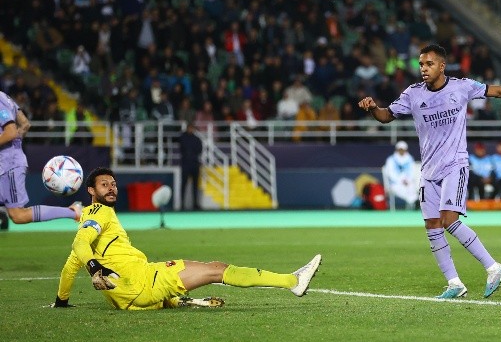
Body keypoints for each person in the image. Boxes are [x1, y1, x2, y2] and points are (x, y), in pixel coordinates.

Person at [358, 44, 501, 299]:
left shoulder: (461, 87)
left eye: (428, 64)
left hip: (455, 165)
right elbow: (385, 117)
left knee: (449, 220)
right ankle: (454, 283)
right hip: (429, 171)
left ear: (441, 66)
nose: (423, 69)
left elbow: (498, 91)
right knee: (432, 226)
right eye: (420, 64)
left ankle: (494, 267)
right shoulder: (413, 94)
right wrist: (373, 107)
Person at [51, 167, 321, 310]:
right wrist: (95, 268)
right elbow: (79, 245)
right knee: (217, 269)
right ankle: (293, 281)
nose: (111, 188)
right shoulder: (99, 212)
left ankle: (177, 300)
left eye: (113, 183)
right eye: (104, 185)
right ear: (91, 190)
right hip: (145, 283)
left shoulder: (89, 220)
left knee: (193, 273)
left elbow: (70, 264)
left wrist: (61, 302)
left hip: (126, 300)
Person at [0, 90, 82, 227]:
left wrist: (12, 147)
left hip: (8, 164)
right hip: (8, 159)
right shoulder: (4, 97)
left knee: (18, 215)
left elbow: (11, 132)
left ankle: (73, 212)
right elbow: (25, 123)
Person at [382, 140, 419, 209]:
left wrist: (408, 180)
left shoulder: (409, 159)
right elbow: (390, 173)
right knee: (400, 189)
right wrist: (401, 180)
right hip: (395, 183)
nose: (401, 151)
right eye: (400, 149)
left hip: (407, 181)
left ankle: (415, 202)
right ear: (397, 149)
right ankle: (414, 201)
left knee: (411, 187)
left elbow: (412, 172)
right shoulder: (391, 160)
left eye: (403, 149)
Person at [179, 122, 202, 210]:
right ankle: (182, 204)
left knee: (195, 185)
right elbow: (182, 149)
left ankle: (195, 203)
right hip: (185, 164)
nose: (191, 130)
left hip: (195, 164)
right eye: (189, 128)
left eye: (192, 128)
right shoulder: (182, 138)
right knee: (183, 184)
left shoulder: (196, 139)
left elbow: (200, 150)